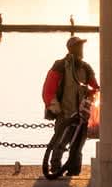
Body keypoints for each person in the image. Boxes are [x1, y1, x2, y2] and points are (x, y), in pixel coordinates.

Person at [41, 35, 99, 177]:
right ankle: (55, 168)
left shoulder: (85, 67)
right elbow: (49, 89)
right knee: (60, 142)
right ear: (71, 48)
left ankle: (74, 170)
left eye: (82, 46)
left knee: (78, 144)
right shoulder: (60, 66)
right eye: (79, 46)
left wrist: (92, 92)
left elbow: (95, 86)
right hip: (64, 113)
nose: (81, 49)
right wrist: (55, 108)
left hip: (81, 115)